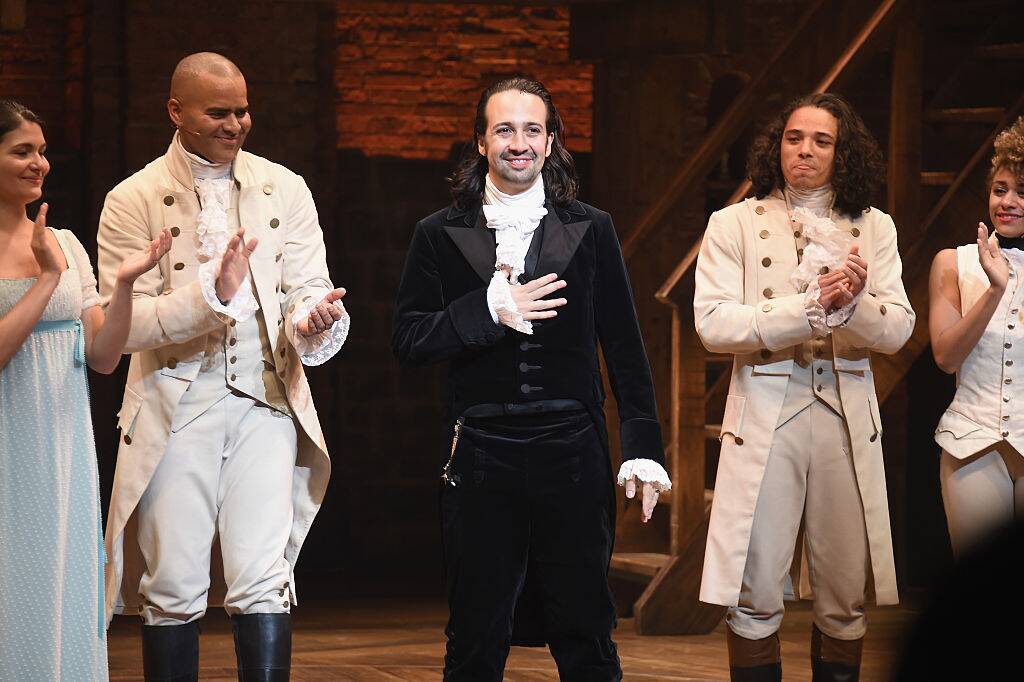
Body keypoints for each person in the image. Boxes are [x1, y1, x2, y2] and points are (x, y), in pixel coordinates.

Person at [392, 77, 671, 681]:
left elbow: (624, 347)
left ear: (550, 142)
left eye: (531, 129)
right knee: (476, 627)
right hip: (482, 452)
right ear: (480, 141)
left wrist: (643, 451)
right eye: (504, 129)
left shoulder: (590, 227)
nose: (518, 142)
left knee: (585, 624)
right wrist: (484, 312)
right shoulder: (438, 233)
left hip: (572, 450)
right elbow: (409, 340)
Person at [96, 53, 349, 680]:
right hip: (176, 403)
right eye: (219, 112)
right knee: (174, 582)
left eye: (243, 110)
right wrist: (213, 295)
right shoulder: (132, 200)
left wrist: (312, 318)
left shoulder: (283, 187)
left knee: (264, 577)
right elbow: (126, 327)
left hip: (265, 397)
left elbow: (306, 285)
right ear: (176, 111)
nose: (236, 124)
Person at [694, 92, 914, 681]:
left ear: (843, 154)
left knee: (844, 588)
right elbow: (713, 323)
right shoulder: (734, 222)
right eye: (795, 138)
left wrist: (856, 301)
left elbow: (898, 329)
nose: (805, 151)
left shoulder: (873, 227)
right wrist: (805, 307)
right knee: (756, 579)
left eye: (822, 141)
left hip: (842, 413)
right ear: (777, 145)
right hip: (769, 407)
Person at [0, 99, 169, 681]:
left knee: (60, 581)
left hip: (61, 449)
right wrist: (46, 280)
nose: (38, 163)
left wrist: (124, 286)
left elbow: (101, 357)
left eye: (42, 151)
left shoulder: (67, 244)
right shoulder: (53, 260)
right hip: (7, 443)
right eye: (22, 151)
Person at [929, 115, 1024, 556]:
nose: (1009, 202)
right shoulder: (953, 263)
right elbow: (946, 356)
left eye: (1022, 191)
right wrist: (995, 290)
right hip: (971, 441)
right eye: (1001, 189)